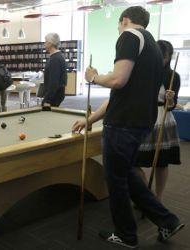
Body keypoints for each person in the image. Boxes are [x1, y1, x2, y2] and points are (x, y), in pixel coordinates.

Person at [72, 6, 184, 249]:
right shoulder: (152, 45)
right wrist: (90, 120)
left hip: (124, 124)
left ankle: (126, 235)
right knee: (127, 174)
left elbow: (117, 80)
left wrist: (93, 77)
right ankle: (167, 220)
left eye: (118, 24)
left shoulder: (129, 36)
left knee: (116, 180)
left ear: (124, 20)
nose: (118, 29)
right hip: (141, 122)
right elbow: (120, 93)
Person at [135, 40, 181, 202]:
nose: (163, 59)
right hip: (143, 118)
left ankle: (158, 198)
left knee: (162, 163)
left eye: (165, 57)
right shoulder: (142, 71)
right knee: (133, 161)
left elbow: (172, 106)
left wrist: (170, 99)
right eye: (160, 55)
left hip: (163, 120)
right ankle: (148, 196)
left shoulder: (173, 76)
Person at [42, 33, 67, 109]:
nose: (44, 43)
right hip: (57, 94)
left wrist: (48, 100)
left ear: (50, 43)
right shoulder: (58, 56)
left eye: (45, 41)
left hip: (54, 96)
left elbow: (54, 81)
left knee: (46, 116)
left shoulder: (55, 59)